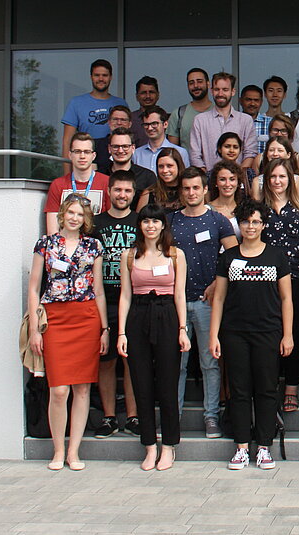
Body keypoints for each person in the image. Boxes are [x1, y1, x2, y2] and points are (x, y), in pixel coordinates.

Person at [209, 199, 293, 471]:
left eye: (256, 221)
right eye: (246, 221)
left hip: (268, 332)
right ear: (239, 224)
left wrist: (288, 334)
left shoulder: (276, 256)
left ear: (264, 225)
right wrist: (214, 335)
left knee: (267, 389)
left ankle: (264, 446)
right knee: (240, 390)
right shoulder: (228, 257)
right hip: (235, 333)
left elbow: (286, 299)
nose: (251, 226)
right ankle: (242, 447)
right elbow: (219, 298)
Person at [27, 194, 108, 471]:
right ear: (62, 214)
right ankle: (58, 450)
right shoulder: (45, 244)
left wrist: (105, 328)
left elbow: (98, 290)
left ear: (86, 219)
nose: (75, 218)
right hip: (55, 319)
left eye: (80, 214)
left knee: (82, 388)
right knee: (59, 390)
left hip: (86, 318)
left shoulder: (93, 246)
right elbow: (34, 288)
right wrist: (35, 330)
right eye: (71, 212)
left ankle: (74, 451)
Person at [117, 204, 188, 471]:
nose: (151, 226)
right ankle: (149, 446)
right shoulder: (129, 255)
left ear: (162, 225)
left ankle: (168, 446)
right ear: (140, 225)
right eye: (146, 221)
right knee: (142, 384)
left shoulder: (175, 254)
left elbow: (179, 294)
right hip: (138, 316)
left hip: (167, 315)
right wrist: (121, 332)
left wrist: (183, 329)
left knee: (168, 384)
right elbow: (125, 296)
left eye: (155, 221)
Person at [169, 167, 237, 438]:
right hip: (176, 303)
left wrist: (217, 285)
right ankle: (174, 416)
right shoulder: (171, 221)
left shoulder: (218, 221)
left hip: (208, 302)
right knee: (178, 363)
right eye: (186, 188)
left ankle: (211, 416)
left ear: (205, 189)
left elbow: (234, 257)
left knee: (210, 361)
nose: (191, 193)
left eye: (196, 187)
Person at [261, 158, 299, 413]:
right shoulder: (259, 208)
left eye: (282, 176)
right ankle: (269, 386)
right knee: (268, 335)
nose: (277, 181)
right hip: (263, 281)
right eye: (273, 176)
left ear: (290, 180)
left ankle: (291, 389)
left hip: (295, 278)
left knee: (293, 333)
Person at [90, 172, 142, 439]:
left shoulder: (140, 222)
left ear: (134, 194)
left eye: (128, 191)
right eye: (118, 190)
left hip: (135, 301)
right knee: (106, 360)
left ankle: (133, 416)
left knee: (132, 360)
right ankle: (109, 417)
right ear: (109, 191)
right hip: (104, 301)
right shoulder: (95, 224)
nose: (123, 195)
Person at [61, 58, 127, 160]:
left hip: (116, 158)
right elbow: (67, 141)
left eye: (105, 75)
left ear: (111, 77)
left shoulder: (120, 103)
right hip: (86, 159)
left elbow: (127, 137)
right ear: (91, 77)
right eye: (97, 75)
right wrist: (67, 169)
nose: (101, 79)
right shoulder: (76, 103)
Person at [189, 72, 258, 170]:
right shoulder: (200, 120)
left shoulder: (246, 120)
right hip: (207, 177)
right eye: (217, 89)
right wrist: (206, 176)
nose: (220, 94)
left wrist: (238, 176)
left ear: (233, 91)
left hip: (238, 177)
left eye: (225, 90)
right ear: (211, 91)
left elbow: (250, 153)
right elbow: (195, 155)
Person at [44, 132, 109, 233]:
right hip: (66, 241)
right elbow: (52, 231)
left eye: (87, 152)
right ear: (70, 155)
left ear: (93, 155)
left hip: (97, 241)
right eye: (77, 151)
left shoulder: (107, 182)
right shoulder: (58, 184)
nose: (82, 156)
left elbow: (111, 221)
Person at [104, 127, 156, 207]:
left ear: (133, 148)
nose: (120, 151)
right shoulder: (100, 175)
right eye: (116, 146)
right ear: (109, 148)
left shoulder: (147, 177)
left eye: (125, 146)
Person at [250, 137, 299, 201]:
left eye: (280, 150)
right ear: (266, 154)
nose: (275, 154)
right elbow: (256, 205)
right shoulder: (257, 181)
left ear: (288, 155)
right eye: (271, 150)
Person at [166, 67, 212, 147]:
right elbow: (172, 150)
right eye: (191, 83)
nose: (196, 86)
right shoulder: (178, 114)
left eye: (199, 81)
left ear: (208, 84)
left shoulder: (219, 112)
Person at [134, 106, 189, 171]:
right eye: (146, 124)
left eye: (154, 123)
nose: (150, 128)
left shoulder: (180, 152)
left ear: (165, 124)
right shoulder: (136, 154)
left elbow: (185, 176)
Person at [208, 159, 248, 238]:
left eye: (232, 179)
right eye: (222, 179)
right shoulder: (207, 210)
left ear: (238, 182)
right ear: (216, 182)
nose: (227, 184)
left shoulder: (244, 209)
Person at [94, 105, 135, 173]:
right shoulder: (96, 145)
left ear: (130, 124)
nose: (119, 123)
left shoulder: (135, 146)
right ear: (109, 122)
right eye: (115, 119)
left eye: (123, 120)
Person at [128, 76, 162, 147]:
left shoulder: (165, 118)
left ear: (158, 95)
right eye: (143, 93)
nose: (148, 96)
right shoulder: (129, 119)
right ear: (137, 96)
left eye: (151, 92)